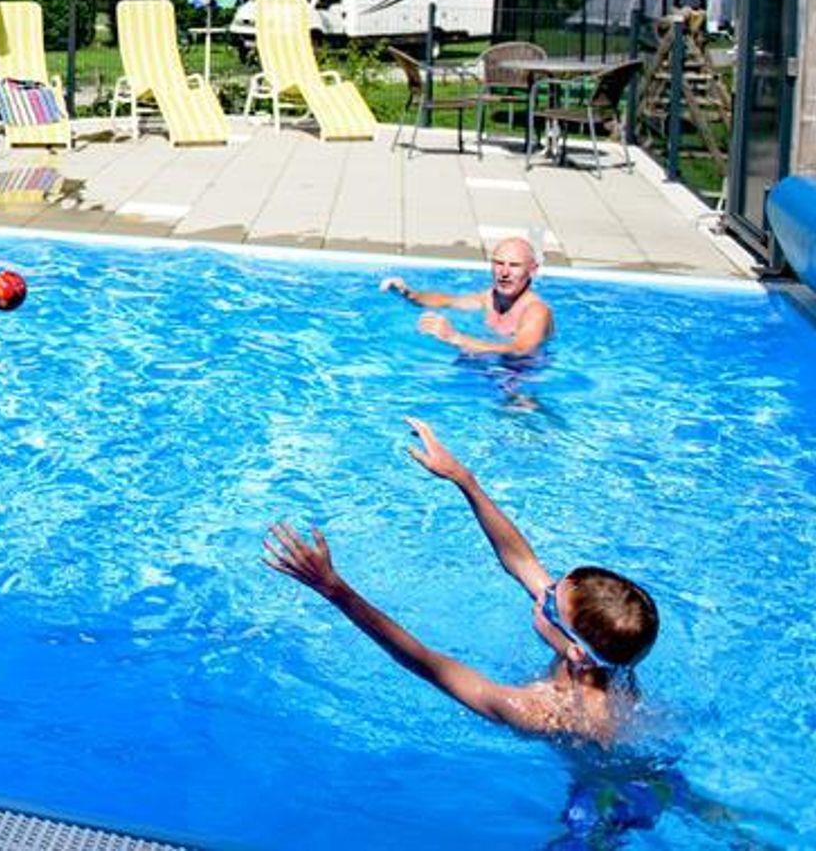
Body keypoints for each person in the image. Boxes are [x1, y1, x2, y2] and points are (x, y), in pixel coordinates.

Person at [264, 418, 658, 747]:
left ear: (576, 651)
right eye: (554, 585)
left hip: (606, 796)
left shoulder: (541, 712)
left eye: (551, 602)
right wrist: (463, 479)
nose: (543, 591)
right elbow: (521, 561)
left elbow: (426, 662)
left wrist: (334, 589)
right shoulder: (606, 650)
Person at [382, 235, 553, 357]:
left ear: (532, 270)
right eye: (499, 263)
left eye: (514, 265)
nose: (504, 272)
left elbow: (521, 349)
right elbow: (446, 301)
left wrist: (454, 337)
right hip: (488, 365)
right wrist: (408, 293)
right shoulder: (489, 298)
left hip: (519, 377)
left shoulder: (536, 310)